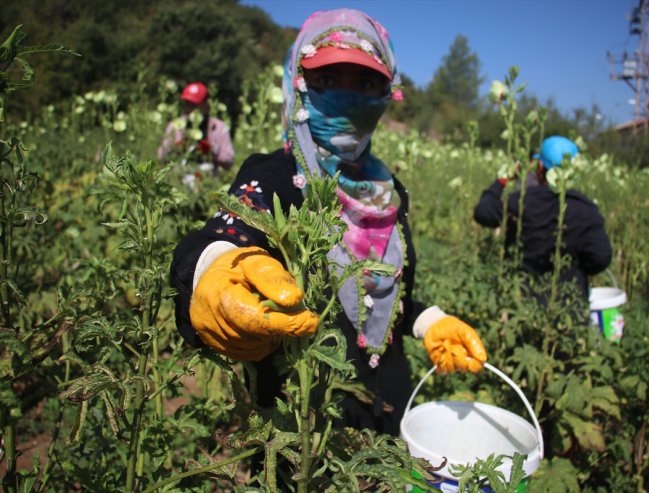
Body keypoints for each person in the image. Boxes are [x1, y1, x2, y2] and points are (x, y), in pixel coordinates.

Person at [170, 9, 487, 436]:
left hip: (389, 404)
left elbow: (387, 295)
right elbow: (226, 233)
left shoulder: (390, 190)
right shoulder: (273, 175)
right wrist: (213, 264)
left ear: (386, 92)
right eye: (326, 81)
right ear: (297, 85)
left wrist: (429, 321)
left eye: (364, 84)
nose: (346, 97)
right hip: (304, 420)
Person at [473, 136, 612, 305]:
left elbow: (483, 212)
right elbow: (601, 258)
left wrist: (502, 180)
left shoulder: (522, 201)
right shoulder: (586, 209)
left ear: (540, 167)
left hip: (521, 305)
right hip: (567, 309)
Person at [158, 81, 235, 173]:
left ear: (206, 105)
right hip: (180, 175)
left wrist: (210, 152)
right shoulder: (175, 126)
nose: (190, 108)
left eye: (194, 105)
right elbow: (161, 157)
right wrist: (176, 148)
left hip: (207, 178)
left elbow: (229, 160)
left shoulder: (218, 127)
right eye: (187, 103)